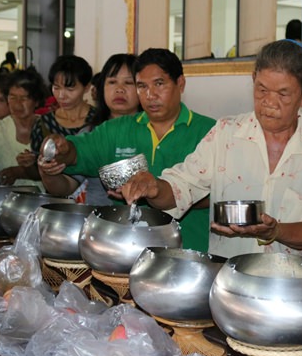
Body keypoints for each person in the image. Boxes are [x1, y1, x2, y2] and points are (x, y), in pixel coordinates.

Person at [119, 40, 302, 258]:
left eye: (283, 94)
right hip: (228, 277)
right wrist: (155, 188)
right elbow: (182, 187)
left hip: (290, 283)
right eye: (262, 90)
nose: (269, 102)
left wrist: (274, 231)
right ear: (253, 80)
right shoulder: (226, 133)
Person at [38, 48, 215, 251]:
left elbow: (222, 193)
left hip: (189, 251)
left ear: (180, 84)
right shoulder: (116, 130)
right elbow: (76, 152)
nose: (150, 95)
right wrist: (62, 149)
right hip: (125, 253)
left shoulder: (210, 132)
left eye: (159, 84)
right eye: (142, 86)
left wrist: (157, 193)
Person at [38, 53, 142, 205]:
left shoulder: (152, 132)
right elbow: (66, 187)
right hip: (97, 223)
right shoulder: (90, 133)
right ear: (102, 87)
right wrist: (47, 172)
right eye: (112, 82)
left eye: (128, 83)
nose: (119, 89)